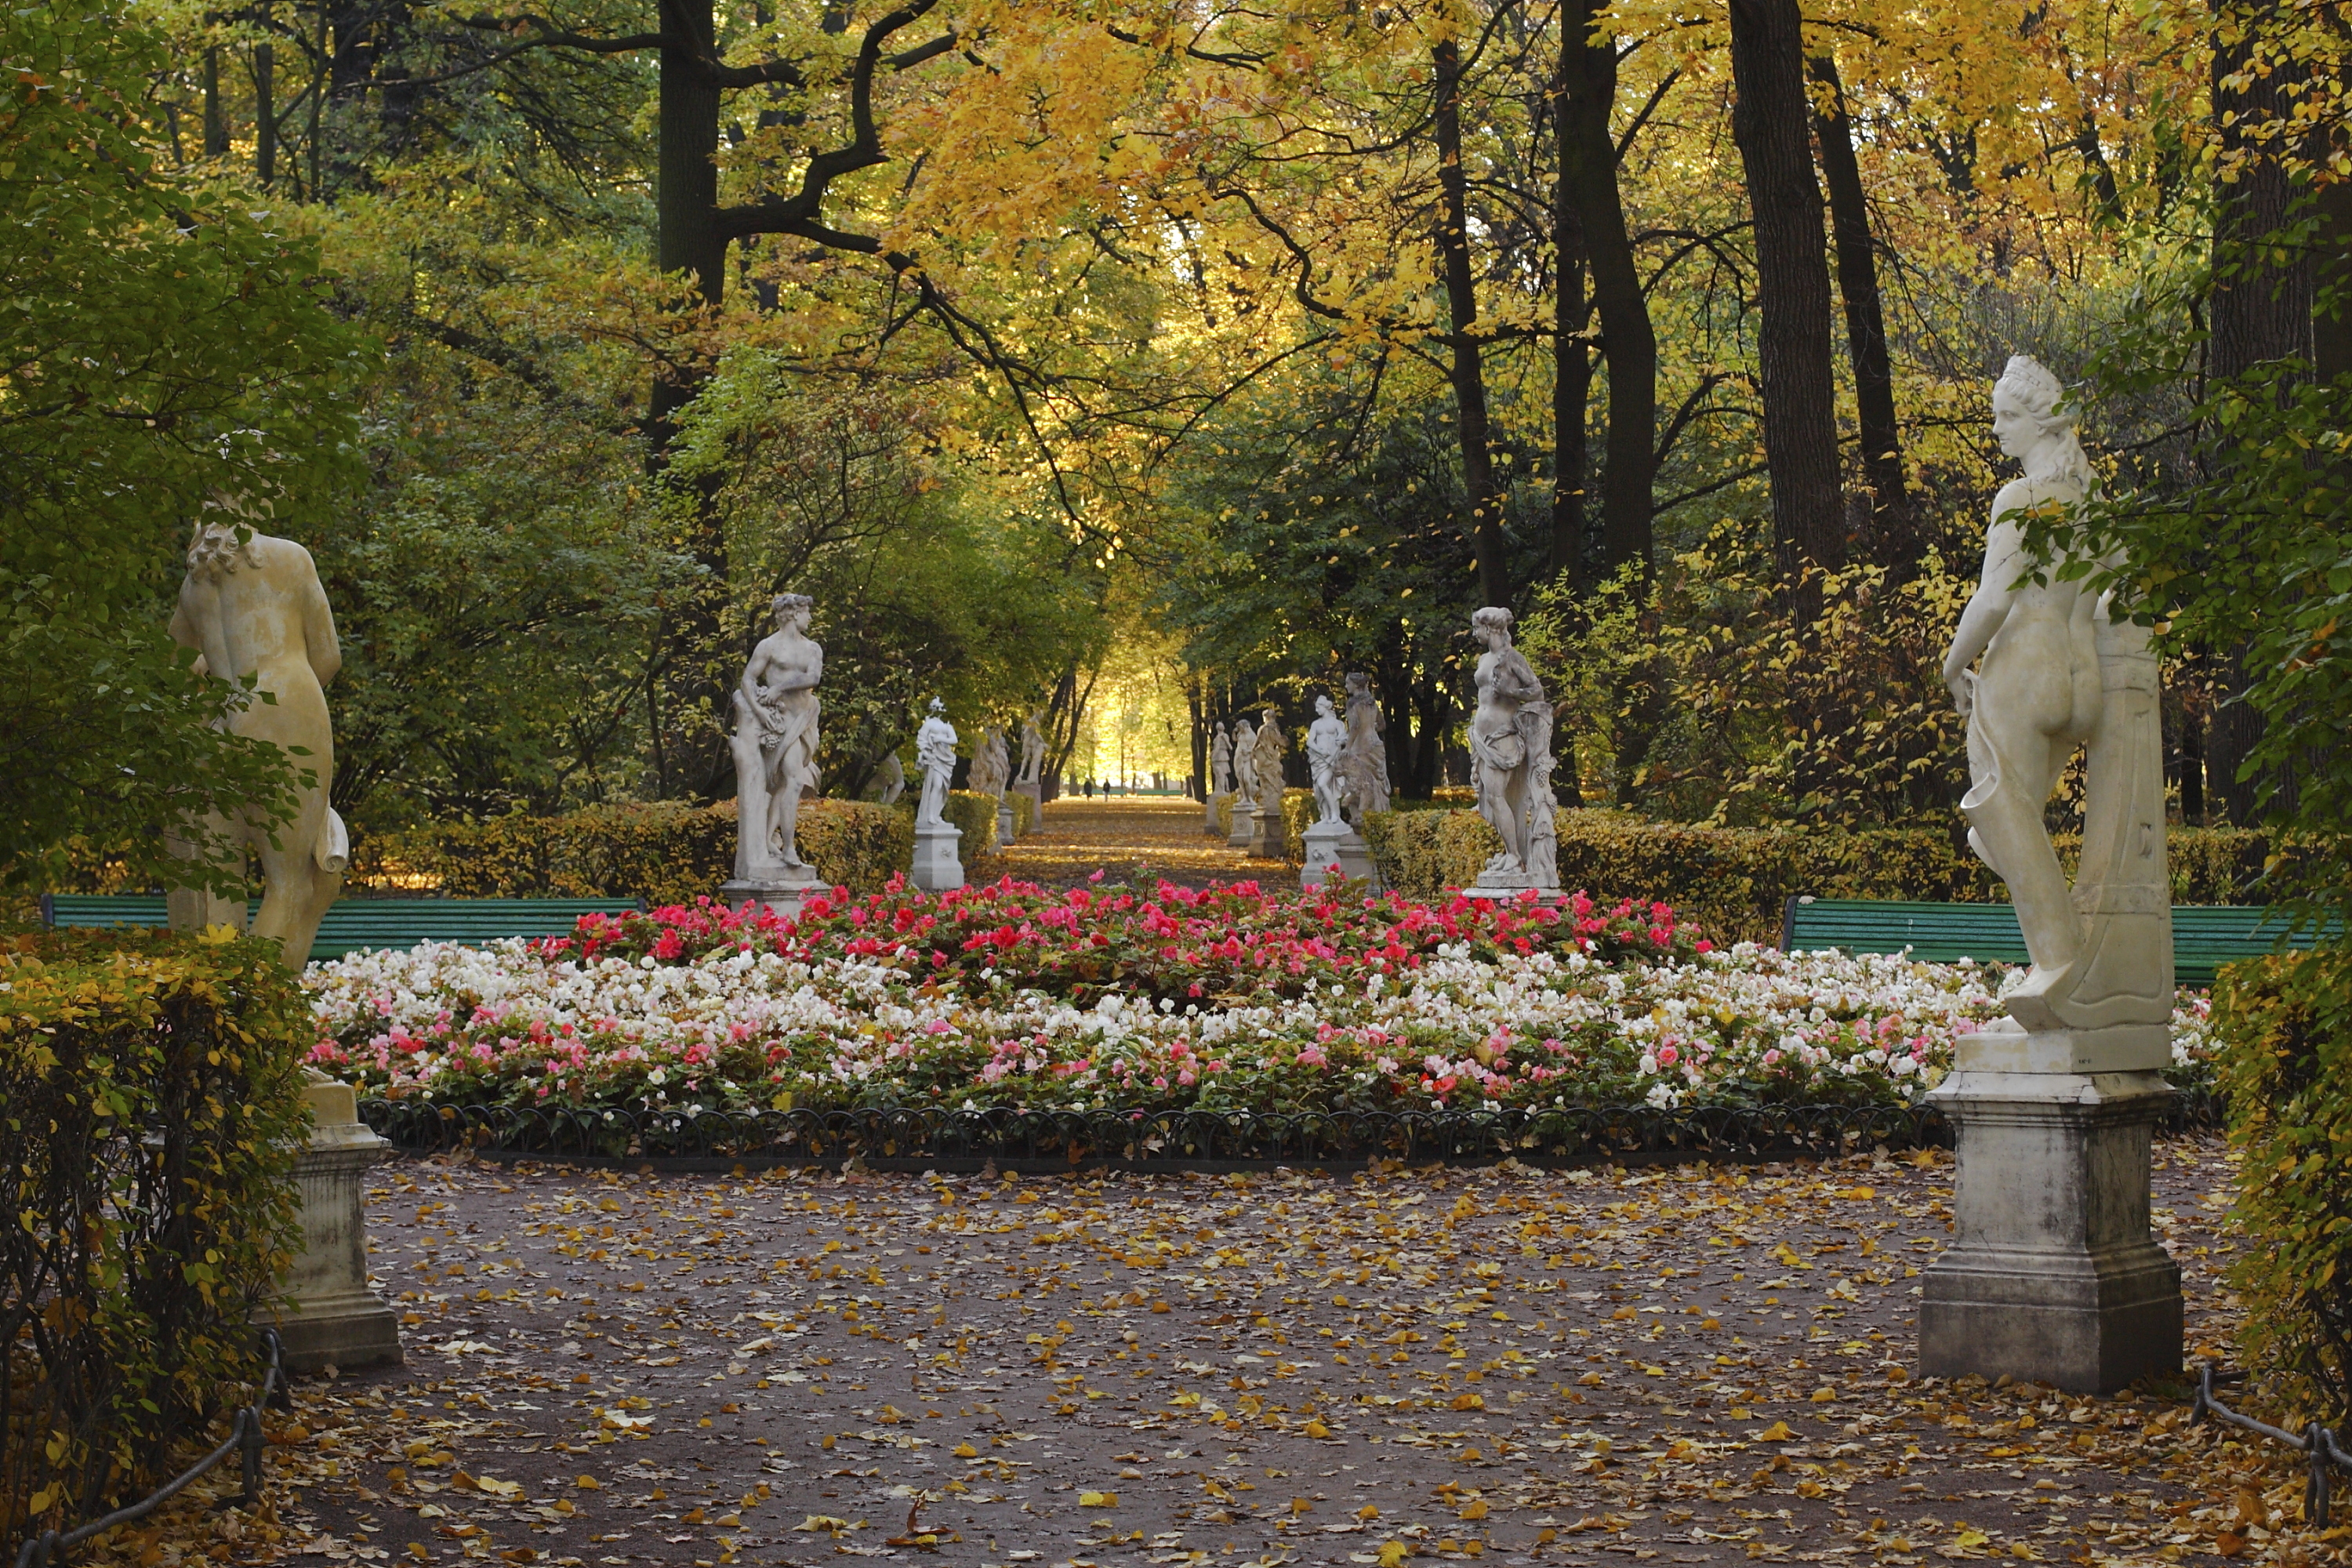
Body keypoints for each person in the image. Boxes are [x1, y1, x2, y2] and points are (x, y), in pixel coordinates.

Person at [168, 492, 347, 966]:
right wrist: (293, 711)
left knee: (221, 882)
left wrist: (211, 672)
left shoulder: (193, 585)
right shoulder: (290, 558)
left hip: (220, 727)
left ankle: (217, 1000)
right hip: (288, 711)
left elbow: (176, 662)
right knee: (294, 884)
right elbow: (328, 657)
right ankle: (259, 1007)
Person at [728, 593, 822, 878]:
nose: (810, 618)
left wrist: (779, 688)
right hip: (779, 721)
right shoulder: (769, 646)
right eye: (806, 612)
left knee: (785, 784)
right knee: (792, 780)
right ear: (793, 614)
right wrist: (759, 711)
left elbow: (813, 678)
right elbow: (747, 680)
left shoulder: (812, 649)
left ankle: (773, 838)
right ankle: (788, 848)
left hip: (804, 720)